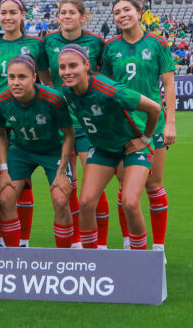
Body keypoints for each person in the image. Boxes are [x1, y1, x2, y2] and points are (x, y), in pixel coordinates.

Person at [58, 44, 161, 250]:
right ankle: (91, 262)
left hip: (131, 148)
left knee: (130, 203)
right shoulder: (66, 93)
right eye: (62, 67)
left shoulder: (110, 90)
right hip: (102, 149)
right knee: (86, 203)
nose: (67, 72)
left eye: (73, 66)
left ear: (86, 65)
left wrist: (145, 139)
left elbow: (154, 108)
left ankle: (140, 260)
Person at [103, 0, 176, 254]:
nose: (122, 15)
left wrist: (171, 124)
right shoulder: (110, 47)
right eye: (116, 12)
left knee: (154, 185)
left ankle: (158, 248)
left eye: (126, 10)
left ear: (139, 13)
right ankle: (128, 243)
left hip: (153, 126)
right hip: (124, 128)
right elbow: (106, 89)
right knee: (125, 189)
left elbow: (168, 85)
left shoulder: (157, 42)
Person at [0, 0, 52, 247]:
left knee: (23, 182)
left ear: (23, 15)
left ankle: (22, 240)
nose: (7, 17)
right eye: (2, 13)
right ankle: (3, 238)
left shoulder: (36, 44)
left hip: (25, 121)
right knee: (2, 182)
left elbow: (46, 84)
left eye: (13, 12)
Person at [43, 0, 108, 248]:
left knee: (93, 185)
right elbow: (45, 76)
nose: (66, 16)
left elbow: (101, 76)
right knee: (67, 184)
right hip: (61, 122)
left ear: (83, 17)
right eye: (62, 12)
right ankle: (77, 241)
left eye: (71, 12)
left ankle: (100, 244)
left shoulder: (95, 42)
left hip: (88, 123)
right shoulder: (48, 42)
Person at [0, 54, 75, 248]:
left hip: (53, 151)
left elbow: (69, 134)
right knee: (5, 197)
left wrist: (62, 171)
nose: (16, 82)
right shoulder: (0, 101)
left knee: (61, 199)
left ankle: (66, 258)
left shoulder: (53, 99)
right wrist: (3, 169)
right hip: (21, 151)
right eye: (11, 77)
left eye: (22, 77)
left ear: (34, 77)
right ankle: (14, 256)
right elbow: (0, 134)